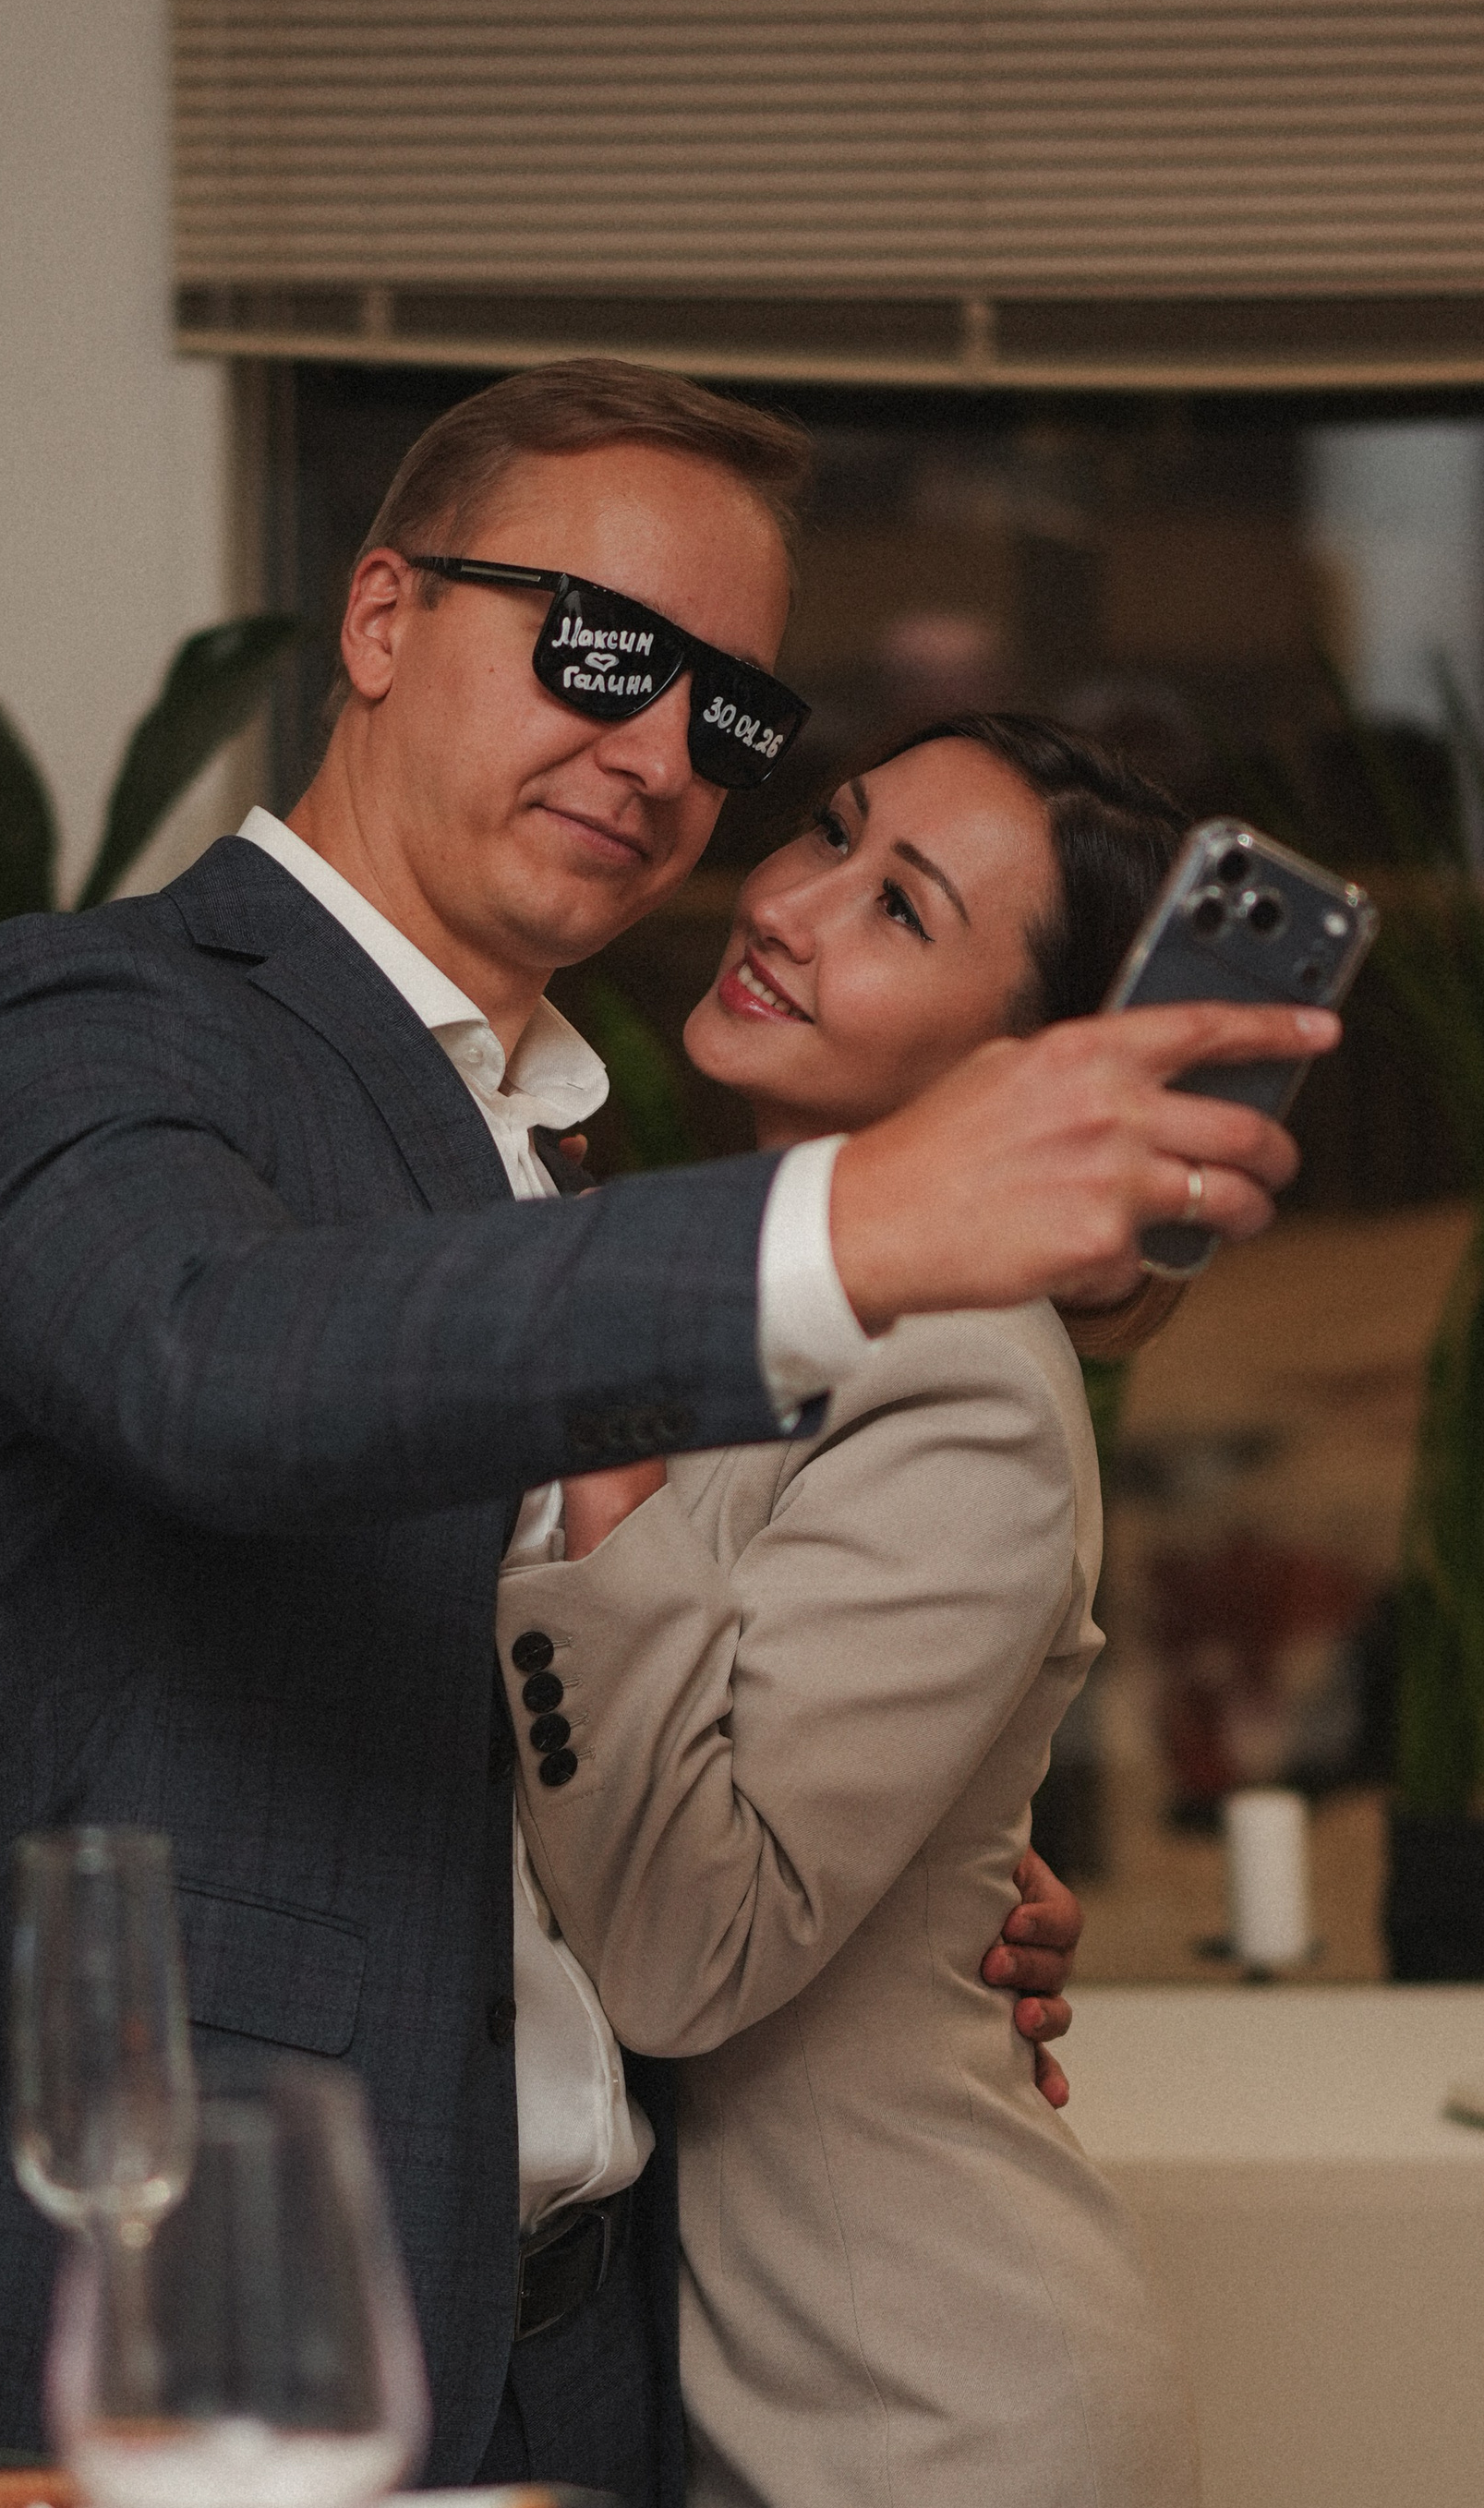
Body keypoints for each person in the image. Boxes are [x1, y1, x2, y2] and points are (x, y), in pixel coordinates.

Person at [0, 361, 1329, 2496]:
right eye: (597, 649)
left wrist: (930, 1881)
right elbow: (207, 1360)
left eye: (726, 715)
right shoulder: (88, 1014)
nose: (660, 754)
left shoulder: (558, 1164)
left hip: (609, 2356)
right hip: (216, 2319)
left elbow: (584, 1764)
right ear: (384, 617)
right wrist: (853, 1216)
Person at [497, 715, 1208, 2506]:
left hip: (919, 2416)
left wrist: (588, 1391)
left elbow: (682, 1949)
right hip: (741, 2389)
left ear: (1017, 1072)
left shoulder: (967, 1376)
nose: (790, 905)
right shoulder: (761, 1304)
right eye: (829, 830)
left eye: (901, 908)